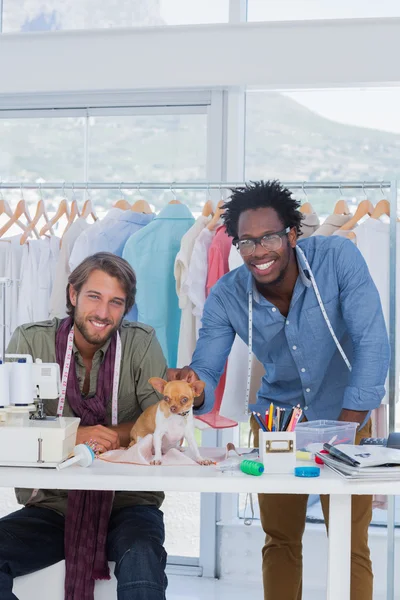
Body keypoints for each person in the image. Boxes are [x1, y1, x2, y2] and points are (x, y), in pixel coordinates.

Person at [168, 180, 390, 600]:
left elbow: (373, 344)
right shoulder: (227, 296)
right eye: (246, 241)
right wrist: (193, 388)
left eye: (269, 237)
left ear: (291, 234)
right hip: (277, 425)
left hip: (347, 416)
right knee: (280, 539)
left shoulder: (338, 258)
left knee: (349, 540)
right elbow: (207, 370)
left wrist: (344, 431)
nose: (258, 251)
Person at [0, 253, 168, 600]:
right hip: (53, 504)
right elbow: (8, 423)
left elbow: (159, 421)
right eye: (94, 296)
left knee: (143, 567)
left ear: (125, 308)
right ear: (73, 294)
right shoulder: (31, 342)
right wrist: (73, 436)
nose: (104, 313)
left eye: (116, 302)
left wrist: (104, 436)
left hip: (129, 501)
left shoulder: (141, 343)